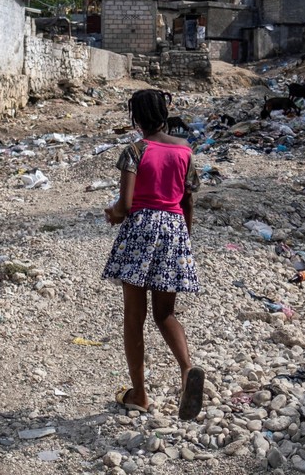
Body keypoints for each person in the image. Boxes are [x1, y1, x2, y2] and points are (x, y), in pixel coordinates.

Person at [102, 89, 206, 420]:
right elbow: (188, 201)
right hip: (175, 230)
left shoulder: (135, 151)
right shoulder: (185, 151)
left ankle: (140, 395)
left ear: (135, 118)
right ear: (165, 112)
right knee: (165, 313)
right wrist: (183, 240)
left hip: (140, 233)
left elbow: (128, 204)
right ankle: (187, 369)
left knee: (135, 317)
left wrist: (113, 213)